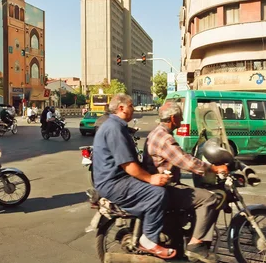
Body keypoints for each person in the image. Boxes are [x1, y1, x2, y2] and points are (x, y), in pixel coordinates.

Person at [143, 101, 228, 263]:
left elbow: (180, 155)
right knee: (209, 198)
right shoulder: (164, 138)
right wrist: (214, 169)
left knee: (194, 195)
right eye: (180, 116)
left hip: (161, 185)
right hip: (165, 188)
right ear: (173, 118)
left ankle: (187, 238)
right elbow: (185, 162)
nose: (182, 119)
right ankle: (195, 245)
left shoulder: (158, 132)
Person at [92, 94, 176, 260]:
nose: (134, 109)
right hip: (114, 182)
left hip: (116, 179)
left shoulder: (117, 126)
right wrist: (151, 179)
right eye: (131, 106)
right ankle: (149, 240)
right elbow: (128, 165)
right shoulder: (114, 128)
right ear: (121, 108)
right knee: (157, 194)